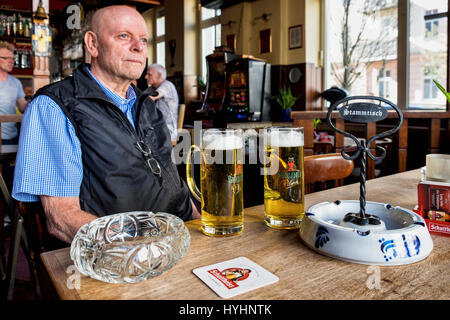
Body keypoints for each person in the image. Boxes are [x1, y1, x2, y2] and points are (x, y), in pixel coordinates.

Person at [12, 5, 200, 244]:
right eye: (124, 36)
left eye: (144, 40)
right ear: (93, 44)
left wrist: (200, 226)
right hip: (118, 255)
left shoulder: (146, 104)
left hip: (179, 240)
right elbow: (60, 218)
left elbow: (174, 184)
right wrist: (139, 249)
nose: (139, 47)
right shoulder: (54, 106)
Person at [0, 41, 29, 191]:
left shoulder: (16, 82)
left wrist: (34, 102)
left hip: (12, 137)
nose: (12, 61)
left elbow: (22, 106)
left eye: (12, 58)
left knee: (11, 178)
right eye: (6, 58)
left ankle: (10, 213)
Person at [144, 64, 179, 142]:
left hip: (168, 129)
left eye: (149, 74)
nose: (146, 77)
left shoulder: (167, 85)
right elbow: (141, 97)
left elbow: (151, 97)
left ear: (159, 75)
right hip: (157, 127)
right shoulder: (152, 88)